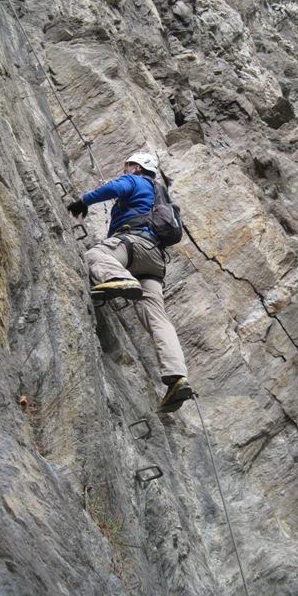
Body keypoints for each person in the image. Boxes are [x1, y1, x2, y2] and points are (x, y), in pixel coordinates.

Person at [67, 152, 193, 413]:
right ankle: (177, 377)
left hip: (132, 244)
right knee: (158, 319)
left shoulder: (136, 180)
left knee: (96, 255)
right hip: (155, 261)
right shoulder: (159, 193)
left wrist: (83, 201)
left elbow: (115, 188)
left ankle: (119, 278)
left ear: (137, 167)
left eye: (128, 166)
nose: (125, 169)